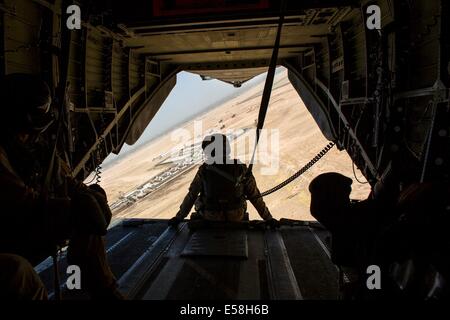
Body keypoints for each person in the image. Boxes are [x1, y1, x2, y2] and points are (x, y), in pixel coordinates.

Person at [0, 73, 122, 300]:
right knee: (19, 274)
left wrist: (88, 196)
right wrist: (73, 210)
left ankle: (105, 291)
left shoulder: (35, 146)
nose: (30, 135)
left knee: (87, 220)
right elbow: (20, 203)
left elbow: (64, 180)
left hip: (26, 227)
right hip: (9, 236)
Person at [168, 133, 276, 226]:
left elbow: (192, 195)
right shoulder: (240, 168)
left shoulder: (204, 170)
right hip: (236, 216)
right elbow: (254, 196)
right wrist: (268, 218)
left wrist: (179, 218)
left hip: (211, 216)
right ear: (226, 148)